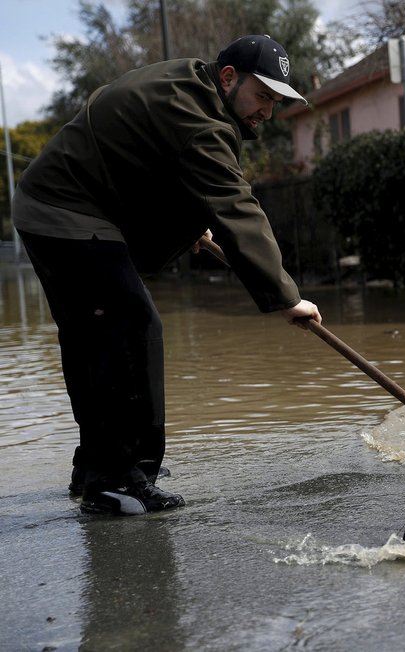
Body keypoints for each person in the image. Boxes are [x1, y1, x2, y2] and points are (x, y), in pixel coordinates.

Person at [12, 34, 322, 515]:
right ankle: (118, 479)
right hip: (66, 209)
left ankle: (98, 464)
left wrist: (184, 223)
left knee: (93, 337)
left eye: (277, 101)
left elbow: (150, 159)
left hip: (61, 202)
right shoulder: (201, 121)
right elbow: (236, 206)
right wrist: (286, 297)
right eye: (263, 95)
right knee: (131, 327)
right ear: (228, 78)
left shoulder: (189, 83)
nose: (268, 110)